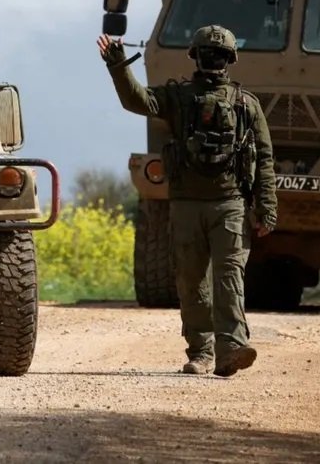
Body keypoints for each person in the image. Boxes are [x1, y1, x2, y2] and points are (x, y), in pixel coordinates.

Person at [98, 24, 277, 377]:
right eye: (209, 53)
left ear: (229, 60)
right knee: (191, 281)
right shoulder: (177, 97)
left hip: (230, 204)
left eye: (219, 55)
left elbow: (265, 160)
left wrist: (266, 208)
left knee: (229, 278)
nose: (213, 60)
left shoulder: (246, 104)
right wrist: (118, 66)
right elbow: (137, 100)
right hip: (187, 205)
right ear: (197, 56)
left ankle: (231, 349)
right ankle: (201, 352)